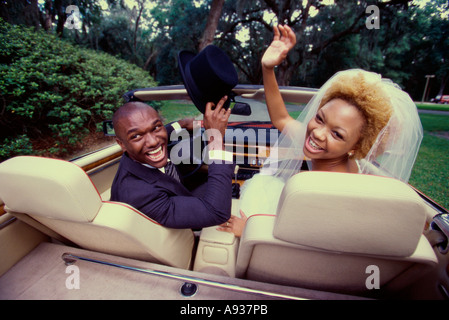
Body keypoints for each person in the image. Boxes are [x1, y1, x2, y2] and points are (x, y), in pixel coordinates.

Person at [218, 25, 423, 237]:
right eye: (319, 118)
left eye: (337, 134)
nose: (317, 133)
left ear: (356, 146)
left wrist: (250, 228)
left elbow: (306, 234)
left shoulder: (329, 187)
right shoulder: (330, 149)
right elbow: (282, 118)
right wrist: (267, 68)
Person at [110, 98, 235, 229]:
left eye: (156, 127)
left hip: (178, 195)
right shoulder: (139, 195)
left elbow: (166, 129)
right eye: (136, 136)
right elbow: (217, 213)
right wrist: (215, 137)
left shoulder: (138, 155)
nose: (153, 141)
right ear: (122, 144)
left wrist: (182, 124)